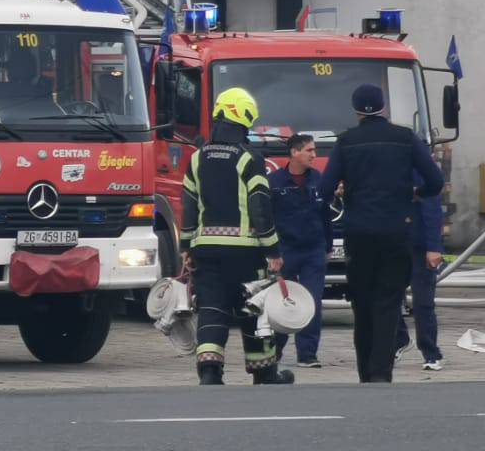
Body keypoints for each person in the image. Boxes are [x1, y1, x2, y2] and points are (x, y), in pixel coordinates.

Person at [319, 83, 444, 384]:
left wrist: (341, 191)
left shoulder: (346, 142)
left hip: (359, 234)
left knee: (362, 303)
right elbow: (435, 181)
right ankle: (381, 373)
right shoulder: (405, 138)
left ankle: (365, 371)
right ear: (383, 107)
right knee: (389, 301)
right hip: (396, 231)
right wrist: (416, 192)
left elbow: (323, 189)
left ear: (356, 109)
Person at [179, 86, 293, 386]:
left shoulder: (197, 158)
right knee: (253, 311)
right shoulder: (249, 158)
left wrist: (185, 248)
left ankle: (209, 372)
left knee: (211, 310)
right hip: (245, 253)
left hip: (206, 250)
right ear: (242, 118)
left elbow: (188, 207)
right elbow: (260, 207)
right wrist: (273, 250)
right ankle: (264, 372)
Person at [267, 133, 332, 368]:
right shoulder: (274, 182)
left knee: (311, 302)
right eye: (309, 151)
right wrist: (272, 252)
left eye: (314, 151)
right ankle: (274, 350)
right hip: (285, 251)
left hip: (313, 250)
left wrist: (328, 245)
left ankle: (307, 354)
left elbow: (326, 216)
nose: (314, 155)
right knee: (282, 303)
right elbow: (267, 219)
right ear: (294, 152)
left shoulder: (318, 180)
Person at [393, 168, 446, 371]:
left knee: (422, 302)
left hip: (420, 246)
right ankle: (399, 340)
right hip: (394, 244)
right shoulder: (384, 164)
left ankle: (431, 352)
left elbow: (431, 209)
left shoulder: (418, 167)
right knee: (386, 298)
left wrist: (434, 247)